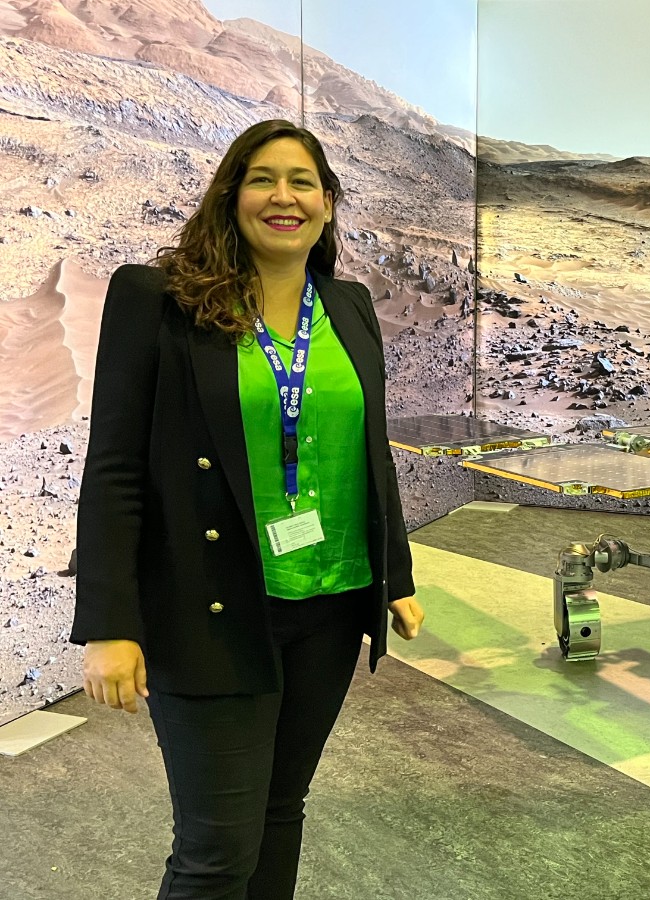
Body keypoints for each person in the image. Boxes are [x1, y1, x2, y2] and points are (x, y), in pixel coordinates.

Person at [70, 119, 425, 899]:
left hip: (329, 605)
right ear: (232, 195)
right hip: (211, 604)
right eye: (264, 178)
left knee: (280, 812)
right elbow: (116, 469)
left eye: (303, 181)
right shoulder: (156, 301)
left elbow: (367, 454)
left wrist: (394, 576)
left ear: (328, 204)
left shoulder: (350, 306)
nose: (284, 196)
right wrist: (109, 622)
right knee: (216, 852)